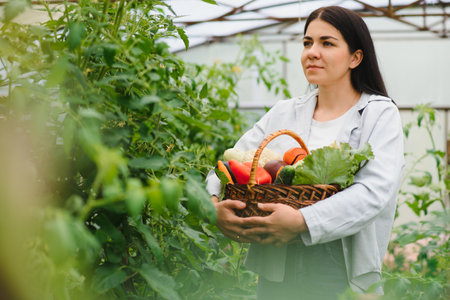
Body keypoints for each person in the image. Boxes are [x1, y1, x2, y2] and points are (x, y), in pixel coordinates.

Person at [206, 6, 404, 300]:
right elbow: (230, 162)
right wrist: (212, 205)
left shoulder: (379, 114)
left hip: (338, 265)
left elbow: (374, 192)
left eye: (327, 43)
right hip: (277, 262)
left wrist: (302, 222)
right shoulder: (285, 112)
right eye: (307, 42)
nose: (312, 51)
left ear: (355, 57)